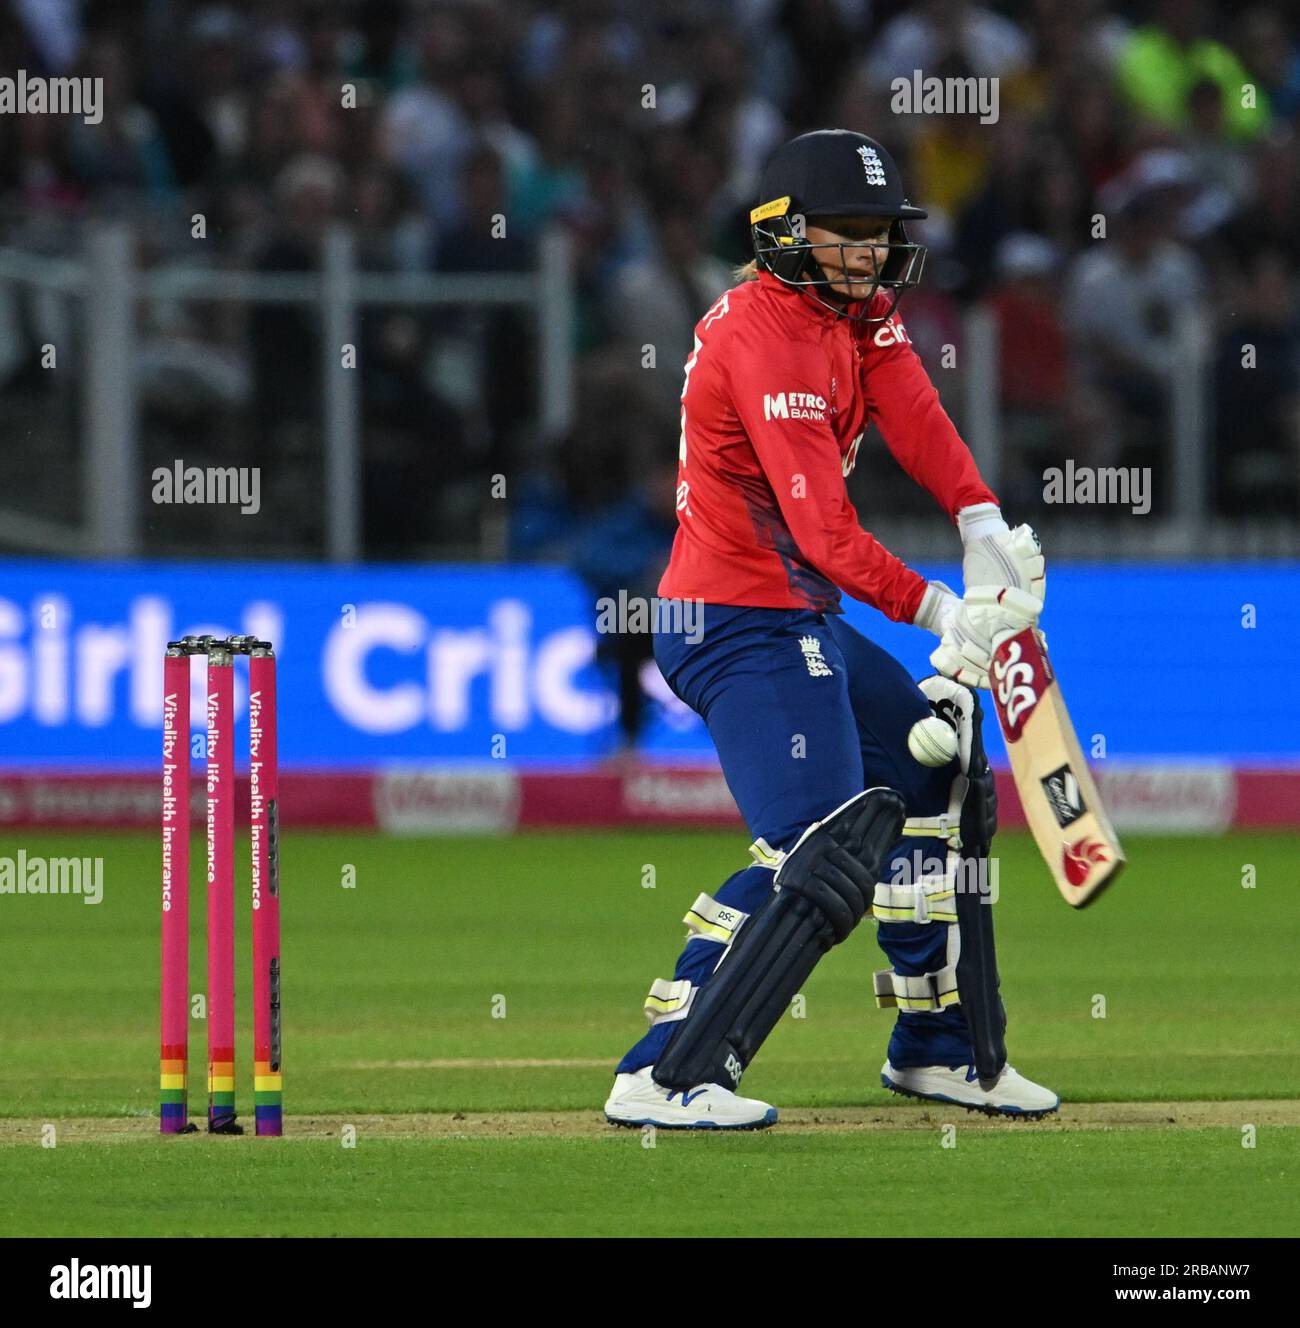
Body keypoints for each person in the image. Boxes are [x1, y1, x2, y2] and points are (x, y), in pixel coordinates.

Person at [603, 129, 1058, 1129]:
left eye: (878, 233)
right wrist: (945, 610)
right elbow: (824, 530)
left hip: (787, 608)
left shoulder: (850, 312)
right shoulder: (766, 340)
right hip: (732, 615)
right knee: (816, 840)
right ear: (782, 235)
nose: (868, 254)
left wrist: (979, 521)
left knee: (924, 772)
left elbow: (910, 404)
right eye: (846, 235)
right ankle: (664, 1069)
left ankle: (933, 1046)